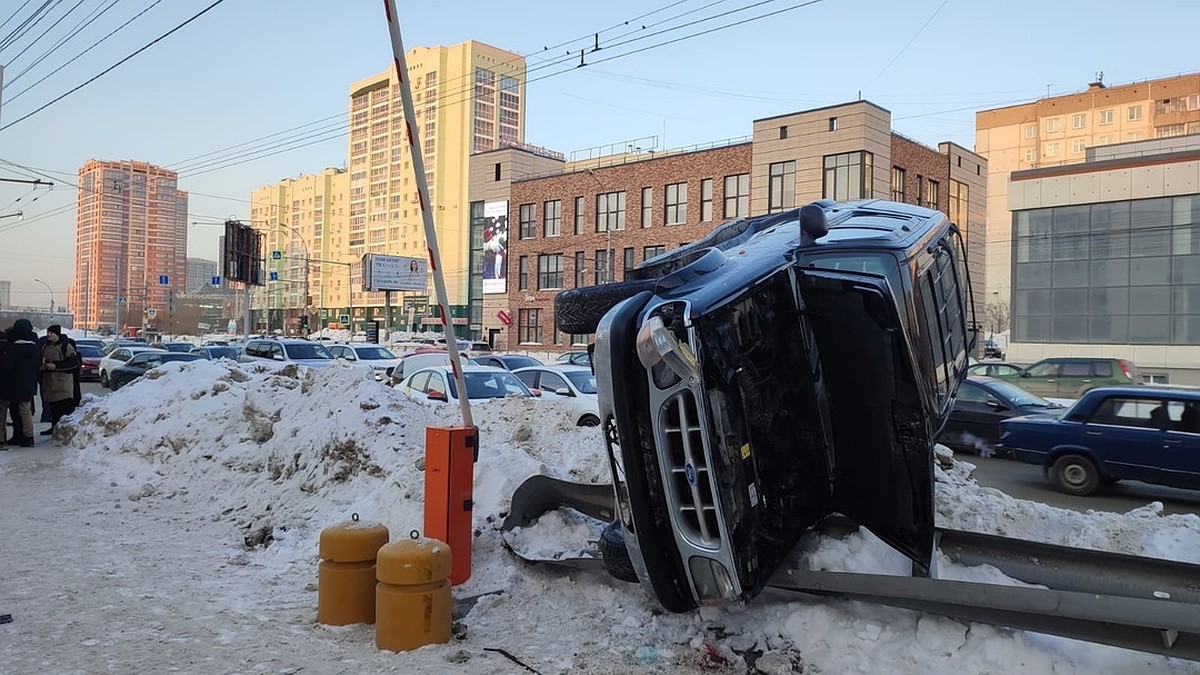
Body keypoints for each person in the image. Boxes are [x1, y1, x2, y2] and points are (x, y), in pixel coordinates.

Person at [1, 319, 42, 448]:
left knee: (2, 411)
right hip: (27, 384)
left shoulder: (8, 348)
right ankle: (29, 437)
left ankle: (1, 440)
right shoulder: (35, 348)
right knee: (25, 411)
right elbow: (38, 366)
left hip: (8, 383)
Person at [40, 324, 79, 435]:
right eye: (48, 333)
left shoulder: (66, 347)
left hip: (63, 385)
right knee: (53, 409)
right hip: (49, 384)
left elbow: (73, 363)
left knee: (63, 409)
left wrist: (56, 366)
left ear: (57, 334)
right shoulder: (45, 347)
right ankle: (54, 428)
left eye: (51, 333)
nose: (48, 335)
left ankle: (64, 431)